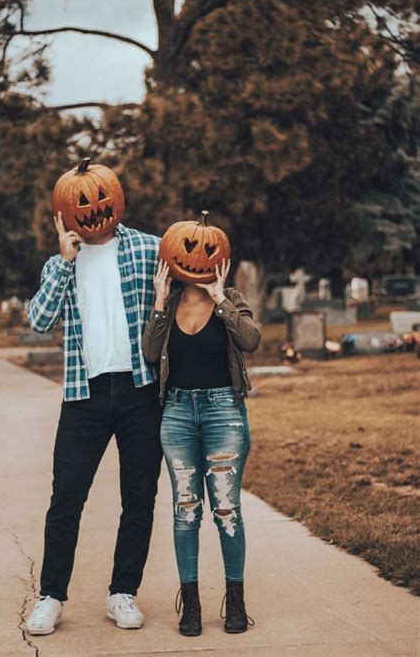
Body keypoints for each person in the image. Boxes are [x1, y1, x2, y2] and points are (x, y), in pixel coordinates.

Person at [25, 205, 162, 635]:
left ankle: (123, 592)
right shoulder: (59, 263)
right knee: (66, 497)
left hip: (140, 389)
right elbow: (40, 320)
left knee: (139, 497)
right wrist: (65, 260)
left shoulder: (148, 248)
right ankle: (51, 596)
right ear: (62, 216)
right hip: (84, 395)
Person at [142, 257, 261, 636]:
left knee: (226, 510)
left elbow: (251, 340)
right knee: (186, 511)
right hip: (177, 414)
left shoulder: (230, 298)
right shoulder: (170, 301)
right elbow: (149, 353)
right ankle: (190, 606)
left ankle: (236, 602)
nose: (195, 259)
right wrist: (159, 302)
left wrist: (219, 299)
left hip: (223, 412)